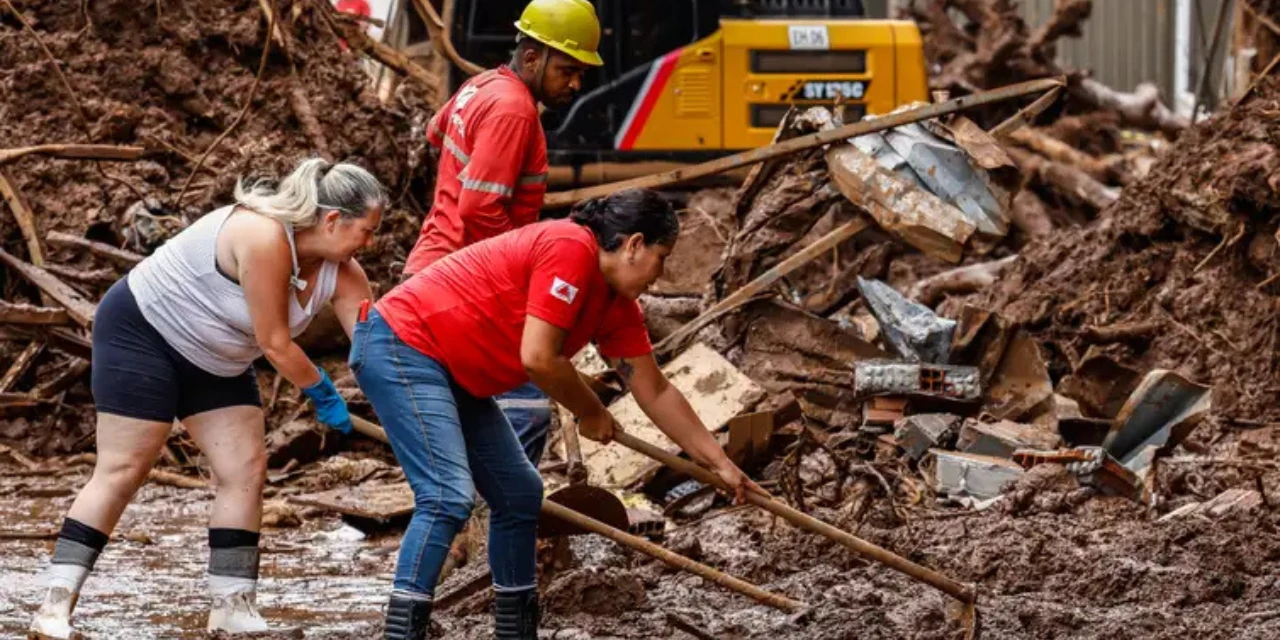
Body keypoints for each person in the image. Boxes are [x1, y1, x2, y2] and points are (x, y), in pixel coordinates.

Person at [352, 188, 764, 640]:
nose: (660, 275)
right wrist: (590, 412)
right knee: (448, 496)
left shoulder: (617, 307)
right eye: (662, 257)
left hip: (456, 372)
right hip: (403, 346)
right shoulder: (570, 247)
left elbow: (656, 390)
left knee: (520, 493)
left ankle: (515, 631)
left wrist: (719, 463)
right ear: (633, 244)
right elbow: (539, 358)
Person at [28, 158, 387, 639]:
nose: (370, 243)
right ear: (330, 220)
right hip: (144, 333)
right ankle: (54, 607)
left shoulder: (345, 275)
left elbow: (376, 348)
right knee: (123, 468)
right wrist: (323, 393)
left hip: (216, 358)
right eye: (366, 231)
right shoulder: (263, 237)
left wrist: (403, 403)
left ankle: (232, 606)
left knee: (245, 470)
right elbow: (275, 343)